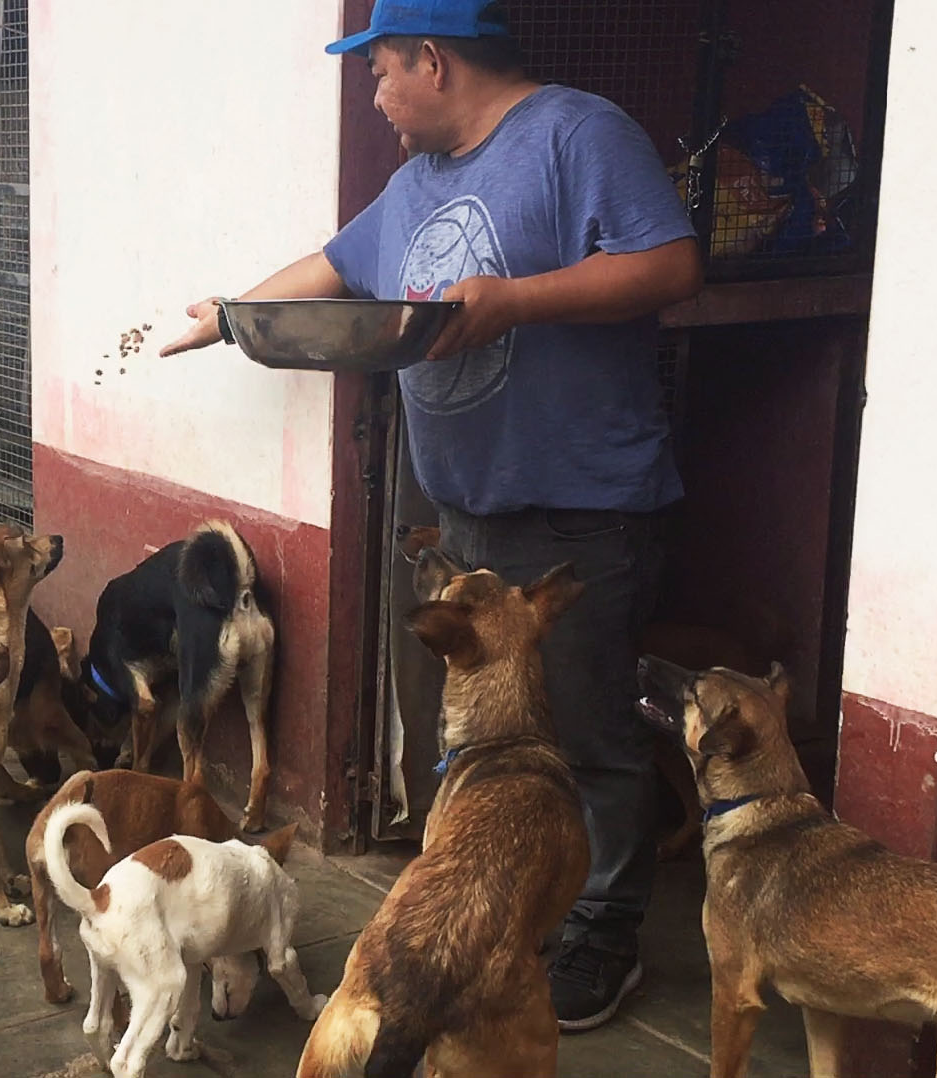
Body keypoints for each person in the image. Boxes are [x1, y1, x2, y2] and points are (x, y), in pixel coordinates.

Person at [160, 0, 704, 1032]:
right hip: (459, 503)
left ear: (430, 59)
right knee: (475, 735)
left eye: (377, 73)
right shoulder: (415, 184)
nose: (372, 95)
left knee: (584, 731)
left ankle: (603, 931)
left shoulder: (576, 134)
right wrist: (230, 317)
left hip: (579, 503)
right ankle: (508, 907)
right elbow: (332, 269)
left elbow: (670, 264)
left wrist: (515, 299)